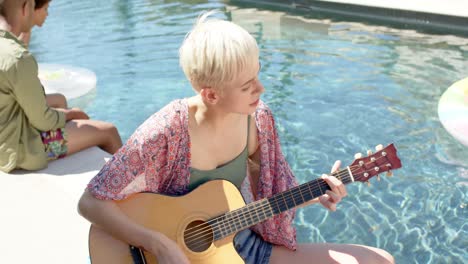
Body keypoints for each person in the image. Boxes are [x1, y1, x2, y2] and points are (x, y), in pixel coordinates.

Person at [78, 11, 394, 264]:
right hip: (176, 256)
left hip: (243, 246)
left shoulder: (257, 120)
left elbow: (271, 191)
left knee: (379, 260)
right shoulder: (166, 131)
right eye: (247, 85)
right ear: (211, 94)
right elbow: (91, 202)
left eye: (257, 75)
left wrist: (319, 193)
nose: (261, 89)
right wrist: (157, 244)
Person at [0, 0, 123, 173]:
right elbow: (43, 120)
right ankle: (129, 191)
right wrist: (71, 114)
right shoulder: (17, 57)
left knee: (63, 105)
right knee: (108, 131)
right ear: (26, 6)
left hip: (6, 137)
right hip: (21, 150)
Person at [18, 0, 68, 110]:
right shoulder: (20, 37)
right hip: (16, 105)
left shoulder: (24, 32)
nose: (47, 14)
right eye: (45, 9)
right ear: (32, 10)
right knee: (61, 101)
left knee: (60, 100)